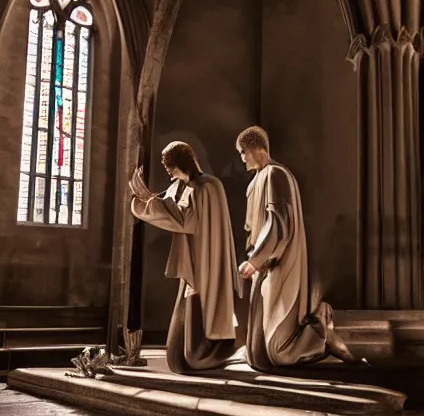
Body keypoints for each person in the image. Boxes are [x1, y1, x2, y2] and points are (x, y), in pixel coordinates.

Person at [235, 126, 359, 371]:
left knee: (278, 352)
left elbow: (278, 224)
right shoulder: (258, 180)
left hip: (278, 263)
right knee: (257, 355)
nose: (242, 158)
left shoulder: (275, 174)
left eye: (243, 152)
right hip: (265, 265)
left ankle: (321, 332)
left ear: (256, 148)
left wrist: (255, 261)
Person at [129, 141, 242, 373]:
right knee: (177, 357)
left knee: (191, 355)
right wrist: (146, 199)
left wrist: (147, 202)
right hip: (192, 268)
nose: (167, 171)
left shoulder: (207, 186)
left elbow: (183, 219)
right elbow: (168, 206)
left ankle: (235, 354)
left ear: (181, 163)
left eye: (169, 165)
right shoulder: (187, 186)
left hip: (204, 267)